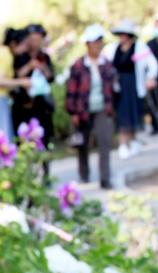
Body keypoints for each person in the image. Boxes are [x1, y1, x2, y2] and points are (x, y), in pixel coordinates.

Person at [65, 24, 117, 189]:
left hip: (103, 108)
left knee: (104, 142)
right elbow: (71, 90)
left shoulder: (106, 64)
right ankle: (84, 173)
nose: (97, 46)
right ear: (87, 44)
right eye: (94, 42)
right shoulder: (78, 65)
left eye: (99, 42)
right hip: (83, 110)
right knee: (83, 144)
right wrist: (73, 111)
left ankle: (105, 178)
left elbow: (113, 87)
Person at [103, 19, 158, 159]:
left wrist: (150, 78)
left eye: (124, 34)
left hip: (134, 86)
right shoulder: (112, 49)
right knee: (122, 116)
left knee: (133, 115)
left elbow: (153, 64)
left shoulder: (140, 48)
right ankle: (123, 144)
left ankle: (133, 141)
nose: (122, 37)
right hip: (119, 88)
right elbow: (103, 63)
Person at [12, 24, 56, 149]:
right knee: (23, 141)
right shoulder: (19, 56)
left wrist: (42, 68)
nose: (35, 42)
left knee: (44, 138)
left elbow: (51, 77)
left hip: (41, 105)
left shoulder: (44, 57)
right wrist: (29, 66)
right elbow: (14, 77)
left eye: (38, 39)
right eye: (32, 39)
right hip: (23, 106)